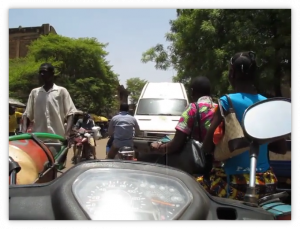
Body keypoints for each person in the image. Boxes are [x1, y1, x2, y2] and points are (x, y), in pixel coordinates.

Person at [198, 51, 287, 200]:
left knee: (197, 188)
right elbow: (282, 148)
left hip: (233, 183)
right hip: (266, 183)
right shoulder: (266, 102)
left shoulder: (226, 101)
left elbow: (207, 147)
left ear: (231, 73)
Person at [151, 76, 217, 165]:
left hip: (198, 166)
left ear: (192, 92)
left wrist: (160, 147)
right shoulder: (219, 108)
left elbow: (176, 144)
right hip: (219, 166)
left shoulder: (192, 108)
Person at [24, 63, 77, 154]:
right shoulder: (35, 93)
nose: (41, 74)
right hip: (38, 140)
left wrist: (67, 134)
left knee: (54, 166)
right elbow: (27, 115)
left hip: (57, 139)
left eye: (44, 72)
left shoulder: (61, 91)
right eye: (40, 72)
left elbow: (70, 113)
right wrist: (23, 132)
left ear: (52, 74)